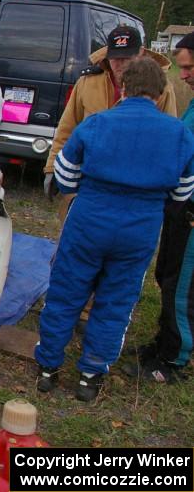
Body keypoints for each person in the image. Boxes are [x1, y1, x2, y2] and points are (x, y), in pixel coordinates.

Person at [34, 57, 194, 401]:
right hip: (140, 227)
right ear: (161, 91)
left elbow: (64, 176)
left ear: (123, 87)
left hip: (90, 219)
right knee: (117, 301)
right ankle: (90, 375)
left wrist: (90, 189)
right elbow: (183, 192)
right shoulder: (179, 133)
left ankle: (48, 367)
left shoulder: (96, 124)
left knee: (66, 291)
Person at [43, 25, 177, 217]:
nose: (120, 64)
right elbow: (67, 128)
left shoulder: (161, 88)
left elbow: (167, 140)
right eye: (115, 58)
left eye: (127, 58)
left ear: (140, 53)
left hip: (133, 190)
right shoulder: (88, 82)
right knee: (75, 238)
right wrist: (51, 167)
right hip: (86, 184)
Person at [127, 32, 194, 383]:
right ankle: (163, 341)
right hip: (179, 209)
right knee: (166, 276)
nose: (183, 75)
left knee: (181, 286)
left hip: (190, 211)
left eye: (189, 67)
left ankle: (174, 359)